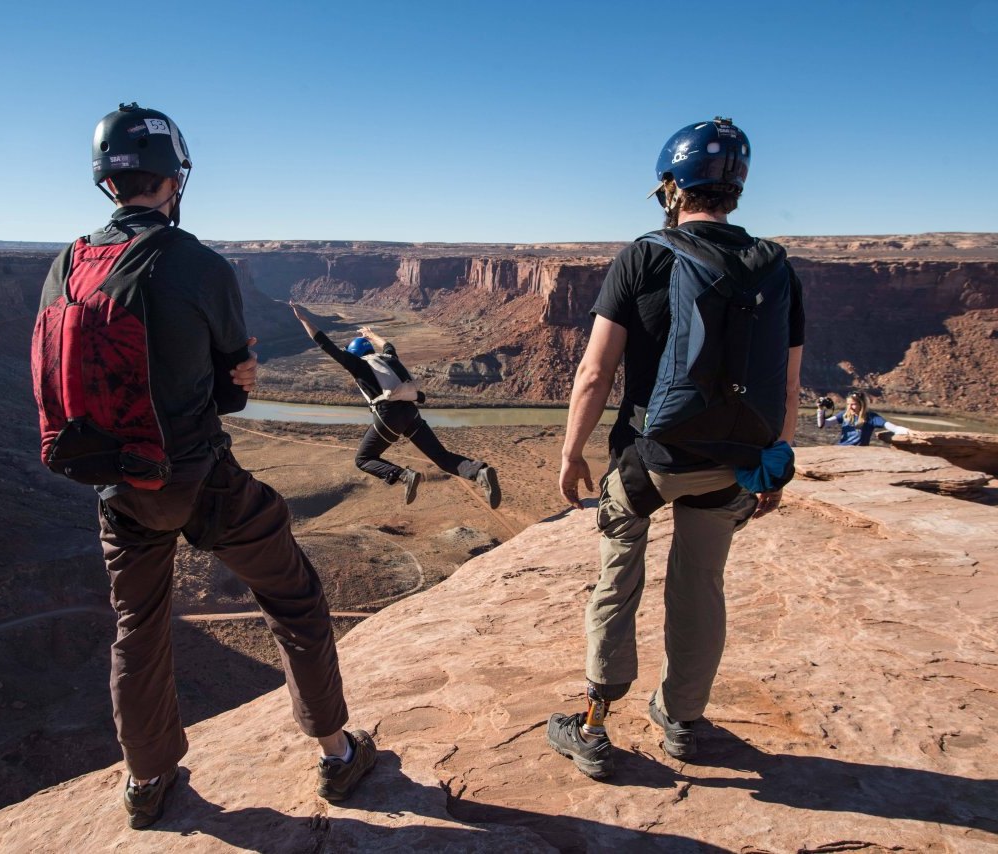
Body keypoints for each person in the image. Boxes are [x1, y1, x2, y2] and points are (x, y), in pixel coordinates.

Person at [32, 104, 374, 829]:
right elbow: (228, 393)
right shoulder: (197, 262)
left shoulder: (68, 262)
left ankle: (147, 780)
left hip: (117, 484)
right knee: (294, 598)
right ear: (175, 178)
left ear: (106, 181)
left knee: (139, 627)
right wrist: (239, 375)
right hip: (200, 478)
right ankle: (338, 753)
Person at [546, 117, 805, 779]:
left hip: (649, 461)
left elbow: (595, 373)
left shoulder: (645, 254)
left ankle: (596, 727)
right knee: (701, 590)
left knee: (616, 585)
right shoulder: (776, 267)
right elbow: (790, 388)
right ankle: (683, 721)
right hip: (732, 465)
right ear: (734, 189)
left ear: (673, 185)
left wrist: (573, 452)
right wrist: (774, 465)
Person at [289, 302, 501, 509]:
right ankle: (479, 472)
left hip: (389, 417)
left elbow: (326, 344)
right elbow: (389, 346)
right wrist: (372, 335)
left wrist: (305, 320)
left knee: (363, 459)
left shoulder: (359, 365)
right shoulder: (389, 358)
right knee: (441, 457)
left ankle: (404, 476)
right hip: (410, 412)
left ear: (354, 354)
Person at [817, 391, 910, 445]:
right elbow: (823, 424)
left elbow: (890, 426)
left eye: (853, 404)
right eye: (848, 404)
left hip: (858, 454)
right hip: (841, 449)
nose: (849, 407)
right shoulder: (844, 415)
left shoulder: (871, 417)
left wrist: (903, 431)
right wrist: (820, 410)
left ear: (861, 404)